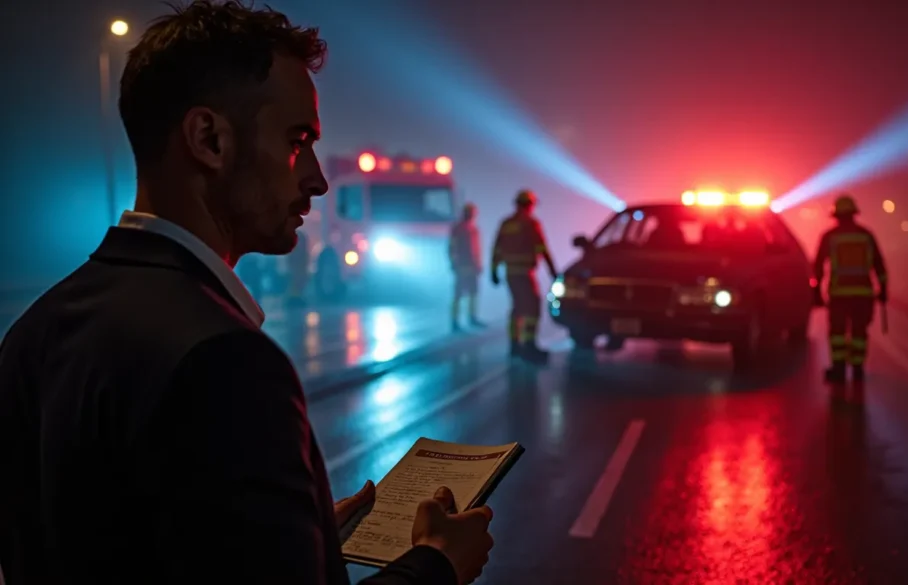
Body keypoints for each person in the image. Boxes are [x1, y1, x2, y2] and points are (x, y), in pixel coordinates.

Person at [0, 2, 493, 584]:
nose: (316, 177)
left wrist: (295, 535)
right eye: (297, 139)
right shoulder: (224, 360)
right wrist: (436, 563)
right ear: (208, 139)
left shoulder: (35, 329)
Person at [813, 194, 888, 383]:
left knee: (837, 333)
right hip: (864, 294)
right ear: (854, 214)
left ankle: (838, 369)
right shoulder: (866, 235)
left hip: (839, 294)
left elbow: (818, 265)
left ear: (836, 216)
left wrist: (815, 291)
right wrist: (884, 288)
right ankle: (857, 369)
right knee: (859, 333)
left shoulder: (829, 237)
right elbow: (879, 264)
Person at [490, 189, 557, 362]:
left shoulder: (506, 224)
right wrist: (553, 271)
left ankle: (514, 345)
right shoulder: (531, 224)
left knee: (517, 307)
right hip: (525, 272)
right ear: (529, 205)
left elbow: (497, 249)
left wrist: (494, 271)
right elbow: (542, 249)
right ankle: (529, 345)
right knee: (532, 307)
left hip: (510, 273)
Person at [448, 203, 485, 331]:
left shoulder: (470, 229)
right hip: (464, 265)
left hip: (468, 266)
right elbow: (452, 248)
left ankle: (468, 318)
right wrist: (453, 263)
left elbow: (476, 249)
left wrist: (478, 263)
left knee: (470, 293)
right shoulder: (462, 229)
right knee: (461, 293)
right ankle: (458, 320)